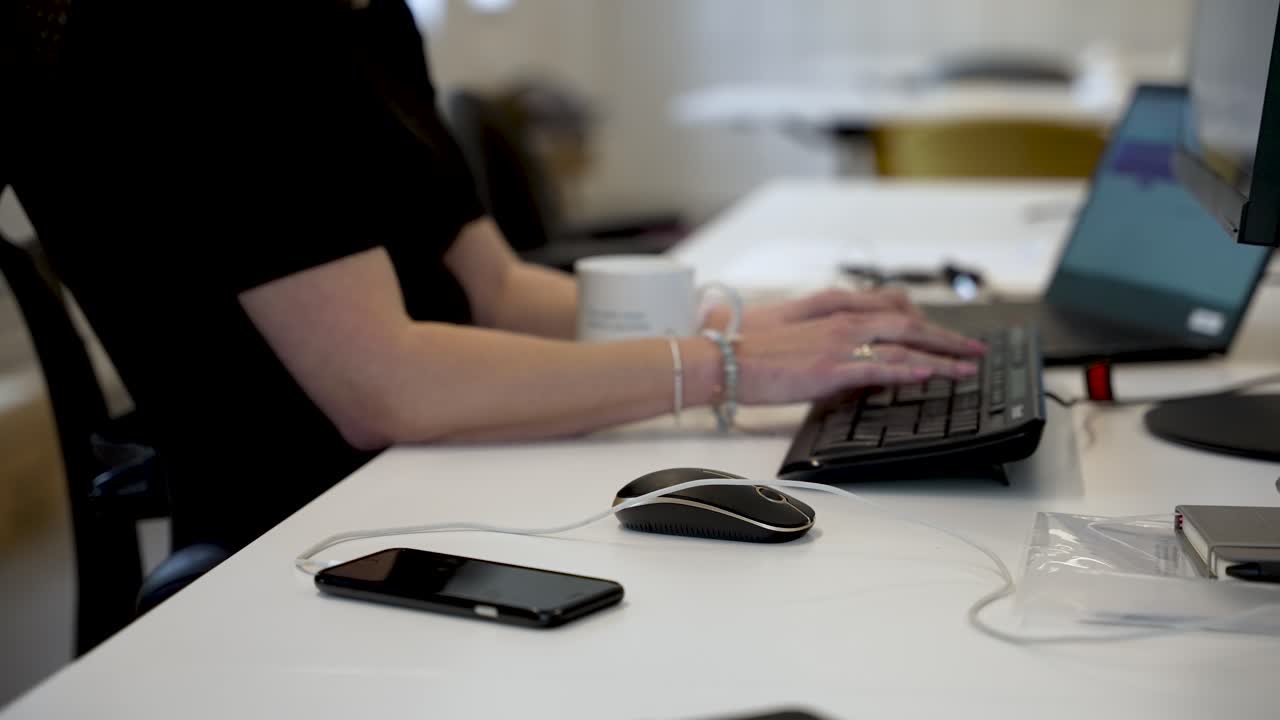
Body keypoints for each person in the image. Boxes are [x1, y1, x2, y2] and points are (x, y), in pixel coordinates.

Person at [7, 0, 982, 552]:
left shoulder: (362, 17)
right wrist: (728, 368)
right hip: (316, 535)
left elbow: (497, 293)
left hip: (442, 467)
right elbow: (384, 387)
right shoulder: (199, 29)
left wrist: (753, 324)